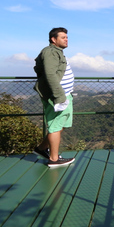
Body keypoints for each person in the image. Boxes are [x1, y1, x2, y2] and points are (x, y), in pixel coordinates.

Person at [33, 27, 76, 167]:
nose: (66, 39)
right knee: (56, 126)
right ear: (53, 39)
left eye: (67, 37)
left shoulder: (57, 52)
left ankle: (41, 149)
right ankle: (54, 159)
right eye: (63, 37)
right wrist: (59, 97)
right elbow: (50, 74)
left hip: (65, 94)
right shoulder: (50, 52)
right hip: (57, 96)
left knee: (61, 125)